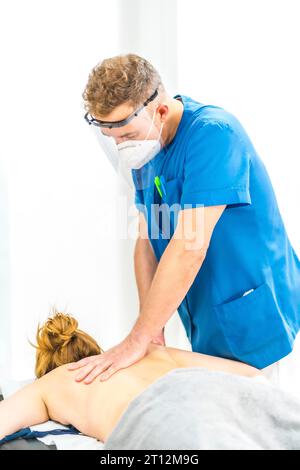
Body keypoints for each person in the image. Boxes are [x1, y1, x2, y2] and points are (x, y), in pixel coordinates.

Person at [68, 52, 300, 386]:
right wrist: (151, 330)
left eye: (126, 135)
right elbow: (147, 241)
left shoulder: (214, 136)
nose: (121, 146)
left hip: (257, 319)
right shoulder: (146, 148)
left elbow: (189, 247)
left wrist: (136, 339)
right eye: (112, 138)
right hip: (210, 320)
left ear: (160, 111)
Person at [0, 309, 263, 444]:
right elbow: (251, 375)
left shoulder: (52, 382)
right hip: (217, 404)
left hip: (158, 425)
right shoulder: (146, 352)